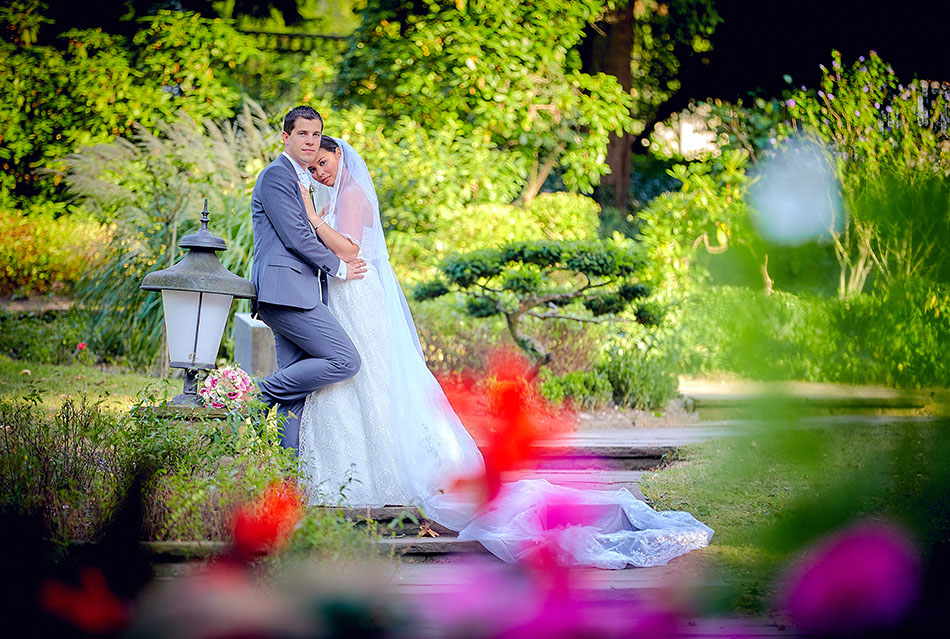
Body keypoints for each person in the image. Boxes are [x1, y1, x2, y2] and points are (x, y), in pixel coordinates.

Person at [295, 135, 714, 569]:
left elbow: (349, 249)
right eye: (313, 168)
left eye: (323, 162)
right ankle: (361, 468)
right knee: (364, 382)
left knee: (372, 379)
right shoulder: (339, 192)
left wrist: (310, 216)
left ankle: (386, 472)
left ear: (339, 155)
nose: (319, 171)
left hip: (357, 297)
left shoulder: (350, 192)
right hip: (349, 298)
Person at [250, 106, 367, 452]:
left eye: (316, 135)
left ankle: (289, 479)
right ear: (286, 137)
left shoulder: (303, 179)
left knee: (294, 394)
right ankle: (259, 394)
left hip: (296, 291)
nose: (311, 141)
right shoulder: (276, 176)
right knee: (346, 360)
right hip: (285, 292)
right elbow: (297, 237)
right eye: (302, 134)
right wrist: (340, 267)